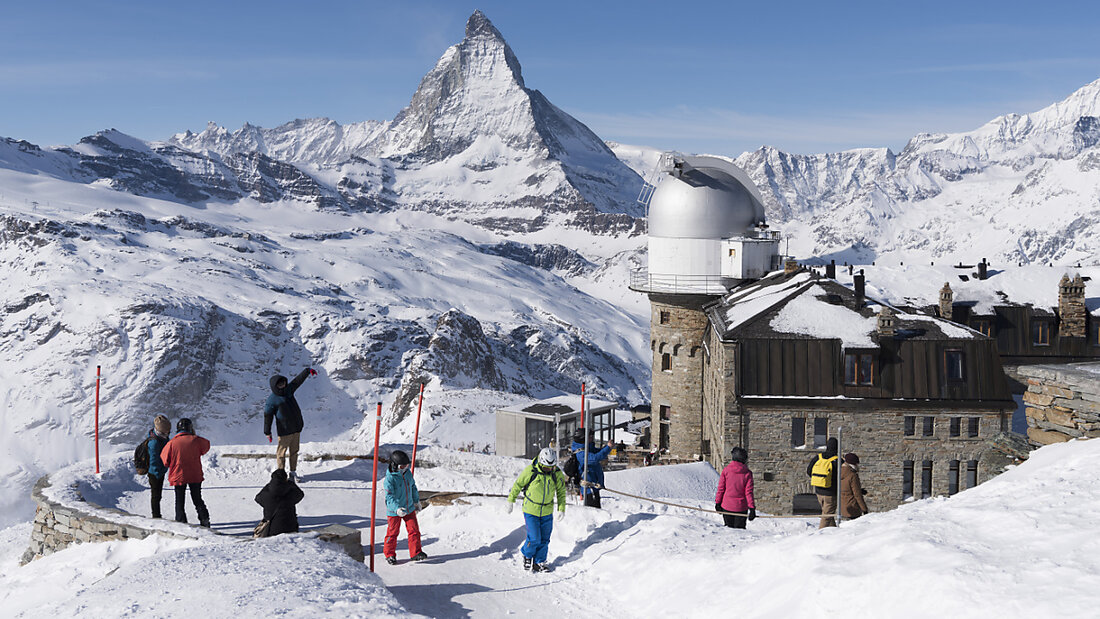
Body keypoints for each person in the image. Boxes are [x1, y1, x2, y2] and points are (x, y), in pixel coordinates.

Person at [506, 447, 567, 573]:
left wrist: (561, 509)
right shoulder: (530, 471)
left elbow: (561, 492)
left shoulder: (556, 474)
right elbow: (518, 485)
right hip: (530, 510)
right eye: (546, 468)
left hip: (547, 511)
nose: (549, 470)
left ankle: (539, 561)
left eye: (551, 468)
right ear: (540, 462)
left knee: (545, 539)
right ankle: (527, 555)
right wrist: (510, 500)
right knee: (534, 538)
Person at [263, 367, 316, 482]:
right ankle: (281, 475)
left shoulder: (289, 390)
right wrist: (267, 432)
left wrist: (307, 371)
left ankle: (292, 472)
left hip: (296, 428)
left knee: (294, 451)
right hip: (284, 431)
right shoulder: (272, 400)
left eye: (283, 383)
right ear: (274, 386)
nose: (283, 385)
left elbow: (297, 381)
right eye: (280, 384)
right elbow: (268, 417)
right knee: (281, 454)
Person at [161, 418, 211, 526]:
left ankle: (181, 523)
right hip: (195, 475)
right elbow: (206, 446)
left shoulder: (171, 443)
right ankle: (205, 520)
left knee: (179, 501)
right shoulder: (196, 440)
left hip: (179, 475)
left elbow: (165, 460)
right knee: (197, 499)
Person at [383, 450, 427, 564]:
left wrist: (416, 502)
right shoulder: (390, 479)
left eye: (407, 466)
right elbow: (389, 497)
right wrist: (397, 509)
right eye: (402, 466)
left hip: (409, 508)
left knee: (414, 531)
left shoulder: (407, 473)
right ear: (394, 465)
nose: (405, 468)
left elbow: (413, 487)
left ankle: (416, 553)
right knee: (393, 533)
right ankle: (389, 554)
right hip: (394, 511)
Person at [254, 469, 305, 536]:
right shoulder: (290, 492)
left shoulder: (267, 493)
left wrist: (268, 486)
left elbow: (257, 498)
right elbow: (300, 494)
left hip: (270, 530)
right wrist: (291, 483)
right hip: (291, 528)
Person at [715, 446, 756, 529]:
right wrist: (751, 508)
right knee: (739, 534)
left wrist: (718, 503)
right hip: (741, 508)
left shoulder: (726, 470)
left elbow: (721, 489)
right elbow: (748, 492)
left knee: (729, 532)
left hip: (727, 506)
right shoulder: (747, 473)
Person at [571, 430, 612, 508]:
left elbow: (598, 453)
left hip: (594, 485)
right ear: (583, 439)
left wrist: (607, 448)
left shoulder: (588, 448)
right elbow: (595, 458)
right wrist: (608, 448)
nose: (592, 438)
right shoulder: (581, 453)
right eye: (590, 437)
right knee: (593, 512)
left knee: (597, 511)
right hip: (588, 488)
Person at [806, 437, 840, 528]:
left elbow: (809, 471)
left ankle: (833, 531)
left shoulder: (818, 457)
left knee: (828, 514)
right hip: (831, 493)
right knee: (826, 516)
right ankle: (819, 535)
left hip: (818, 491)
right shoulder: (838, 460)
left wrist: (819, 481)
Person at [145, 415, 172, 519]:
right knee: (156, 495)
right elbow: (154, 461)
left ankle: (156, 515)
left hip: (159, 471)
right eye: (167, 431)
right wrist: (160, 471)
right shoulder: (155, 443)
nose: (169, 432)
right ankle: (156, 516)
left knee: (157, 495)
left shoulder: (160, 437)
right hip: (155, 473)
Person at [840, 453, 870, 520]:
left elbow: (845, 488)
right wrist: (864, 509)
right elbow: (857, 495)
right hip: (853, 507)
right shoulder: (853, 475)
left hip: (843, 508)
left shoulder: (840, 472)